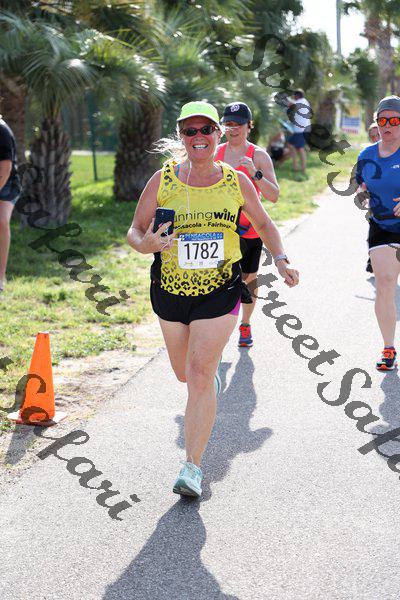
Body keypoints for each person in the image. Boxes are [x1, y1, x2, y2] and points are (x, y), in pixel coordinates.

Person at [127, 101, 299, 498]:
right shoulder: (163, 180)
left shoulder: (235, 180)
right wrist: (145, 244)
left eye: (206, 129)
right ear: (182, 136)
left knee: (200, 373)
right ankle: (205, 380)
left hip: (220, 290)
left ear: (217, 134)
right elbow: (134, 229)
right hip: (170, 290)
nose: (199, 137)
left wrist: (281, 259)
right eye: (190, 131)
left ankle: (192, 466)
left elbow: (263, 222)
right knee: (184, 374)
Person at [215, 101, 279, 348]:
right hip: (221, 228)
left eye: (238, 124)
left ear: (249, 126)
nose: (233, 129)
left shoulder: (258, 155)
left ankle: (245, 323)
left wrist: (255, 173)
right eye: (228, 124)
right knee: (220, 279)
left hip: (250, 229)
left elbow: (273, 195)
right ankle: (218, 328)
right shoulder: (215, 153)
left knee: (248, 279)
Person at [356, 95, 400, 371]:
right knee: (384, 283)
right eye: (382, 120)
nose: (387, 125)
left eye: (394, 120)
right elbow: (361, 186)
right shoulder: (366, 156)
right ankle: (388, 347)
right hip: (382, 226)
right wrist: (362, 196)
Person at [0, 116, 20, 293]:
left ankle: (0, 276)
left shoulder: (2, 130)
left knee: (1, 222)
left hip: (7, 184)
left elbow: (5, 170)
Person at [286, 89, 312, 180]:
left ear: (297, 95)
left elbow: (290, 104)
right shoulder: (303, 101)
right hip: (300, 130)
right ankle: (296, 166)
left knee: (300, 148)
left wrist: (286, 98)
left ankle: (303, 168)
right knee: (290, 144)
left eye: (294, 95)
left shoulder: (301, 101)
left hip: (301, 130)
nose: (294, 97)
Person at [365, 123, 381, 274]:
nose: (376, 139)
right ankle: (372, 259)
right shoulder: (369, 155)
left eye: (378, 135)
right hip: (377, 203)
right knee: (374, 230)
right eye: (373, 137)